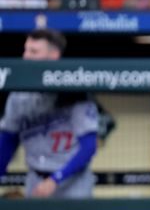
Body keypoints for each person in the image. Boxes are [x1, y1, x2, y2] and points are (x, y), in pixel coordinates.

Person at [0, 29, 99, 198]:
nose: (26, 56)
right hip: (35, 180)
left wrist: (55, 179)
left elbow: (89, 146)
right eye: (26, 50)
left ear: (54, 55)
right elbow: (8, 140)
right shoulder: (18, 94)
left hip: (73, 183)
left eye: (34, 51)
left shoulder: (75, 91)